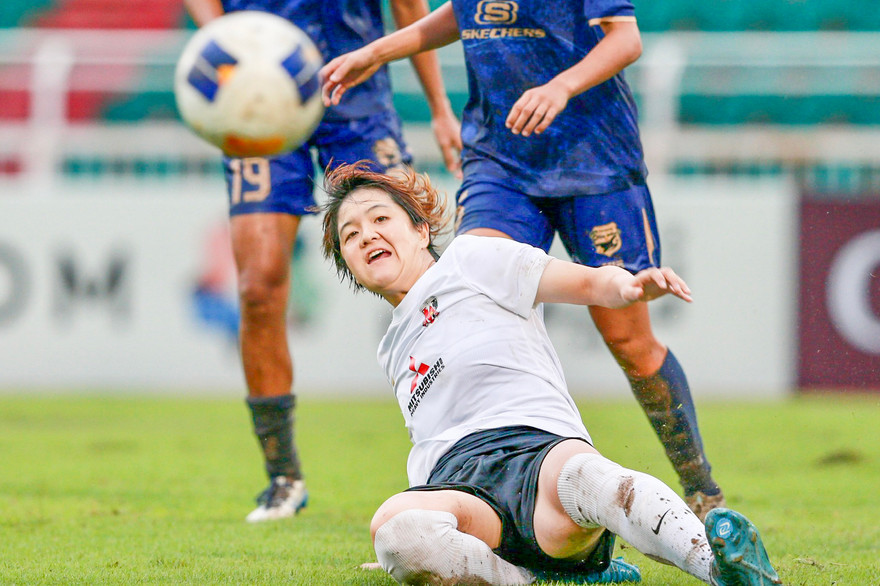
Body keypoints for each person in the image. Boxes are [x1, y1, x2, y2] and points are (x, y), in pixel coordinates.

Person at [319, 0, 726, 521]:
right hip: (500, 162)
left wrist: (561, 86)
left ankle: (700, 487)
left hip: (594, 161)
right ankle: (456, 501)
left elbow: (627, 40)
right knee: (464, 293)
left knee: (630, 341)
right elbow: (461, 15)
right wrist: (378, 51)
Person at [316, 163, 781, 586]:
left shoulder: (471, 259)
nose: (368, 236)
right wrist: (416, 545)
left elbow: (585, 281)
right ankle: (535, 580)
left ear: (419, 230)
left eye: (380, 220)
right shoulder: (390, 346)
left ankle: (722, 569)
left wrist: (627, 284)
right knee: (394, 531)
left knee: (590, 478)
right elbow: (430, 442)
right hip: (459, 487)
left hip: (541, 459)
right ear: (349, 264)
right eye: (351, 235)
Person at [183, 0, 462, 523]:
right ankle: (282, 478)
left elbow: (408, 5)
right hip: (259, 95)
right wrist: (230, 40)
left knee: (420, 272)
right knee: (258, 285)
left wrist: (440, 107)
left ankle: (463, 449)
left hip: (355, 90)